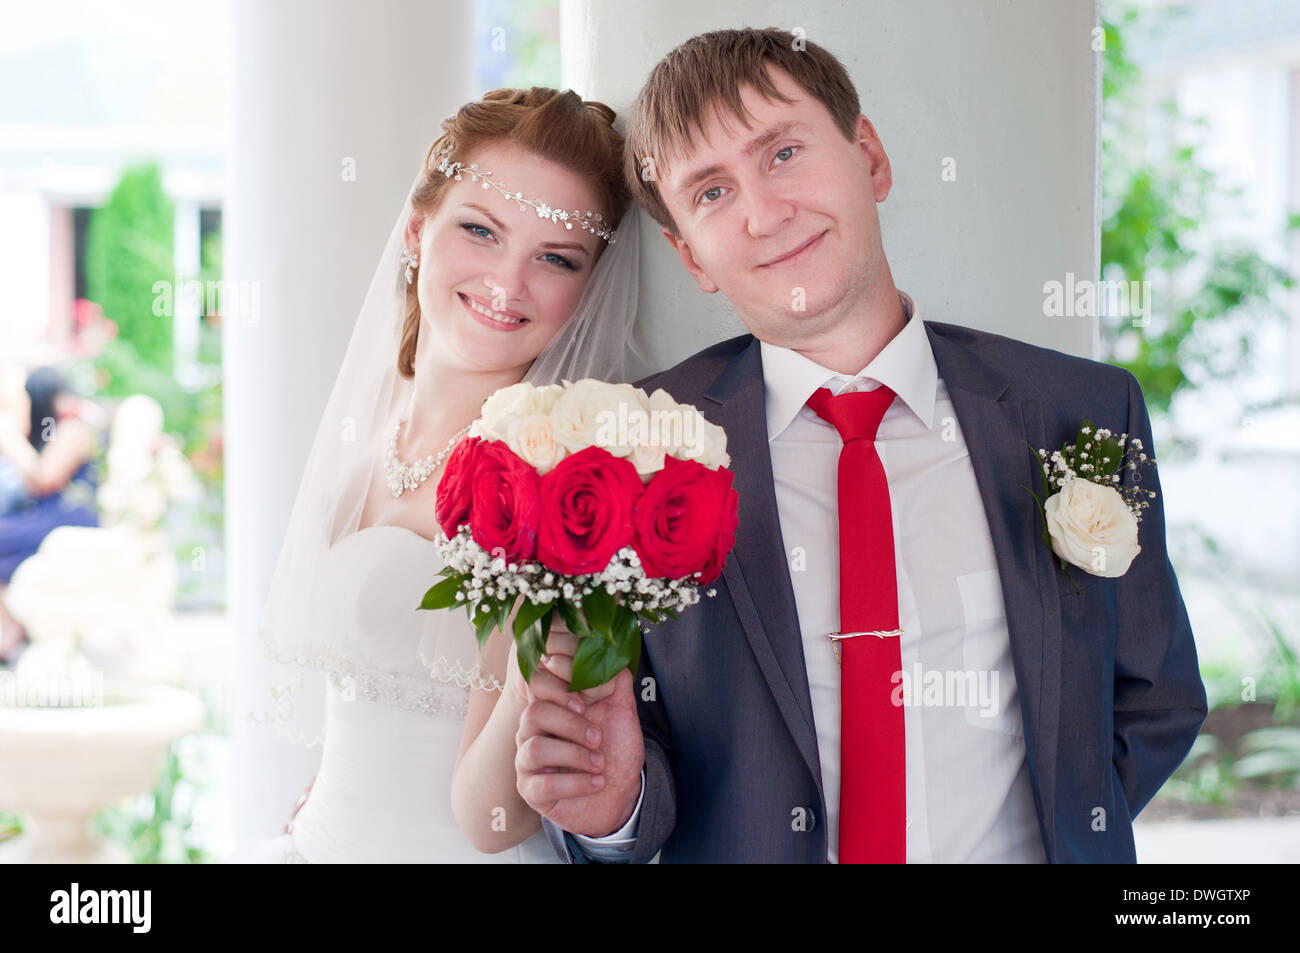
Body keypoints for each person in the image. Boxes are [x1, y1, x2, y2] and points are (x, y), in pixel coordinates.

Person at [516, 28, 1207, 863]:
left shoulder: (1082, 412)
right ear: (688, 254)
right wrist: (614, 805)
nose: (764, 213)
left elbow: (1156, 694)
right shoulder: (624, 452)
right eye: (710, 193)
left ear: (869, 157)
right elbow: (617, 756)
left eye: (782, 153)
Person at [248, 86, 643, 863]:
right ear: (417, 228)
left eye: (555, 258)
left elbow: (490, 815)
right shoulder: (366, 443)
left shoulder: (553, 483)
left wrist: (550, 657)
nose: (507, 283)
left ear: (589, 288)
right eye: (481, 231)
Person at [0, 366, 102, 664]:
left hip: (66, 519)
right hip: (44, 517)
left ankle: (11, 634)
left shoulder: (74, 428)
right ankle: (11, 631)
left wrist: (10, 439)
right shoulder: (57, 429)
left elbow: (44, 479)